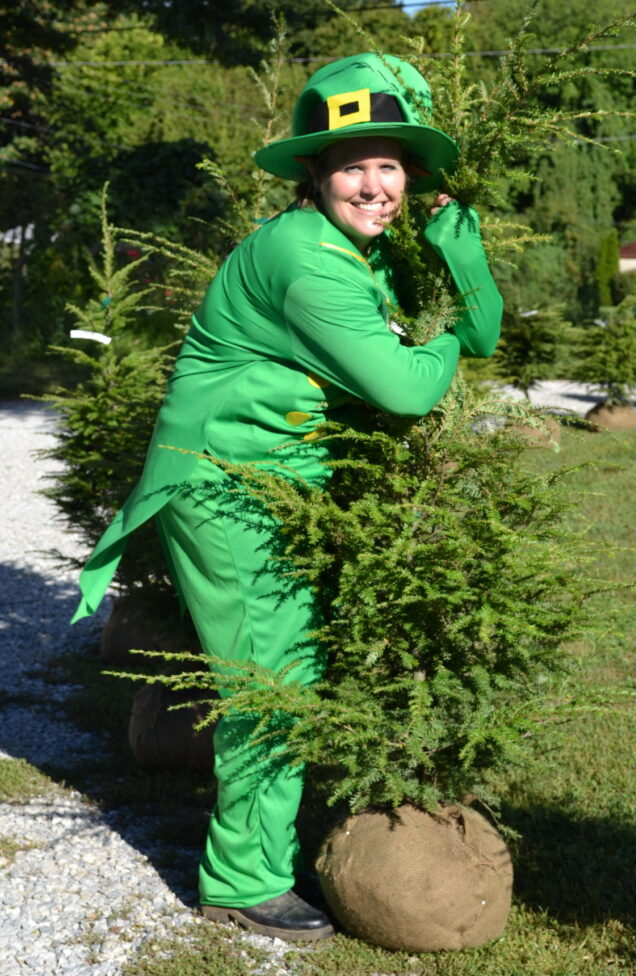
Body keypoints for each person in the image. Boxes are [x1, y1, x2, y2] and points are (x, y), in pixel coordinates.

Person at [72, 53, 504, 941]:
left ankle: (262, 839)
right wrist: (458, 316)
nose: (374, 184)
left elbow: (479, 338)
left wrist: (467, 269)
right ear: (316, 174)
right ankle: (242, 878)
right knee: (272, 679)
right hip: (223, 484)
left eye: (390, 163)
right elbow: (409, 388)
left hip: (276, 483)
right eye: (352, 163)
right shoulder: (304, 262)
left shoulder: (346, 250)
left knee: (282, 666)